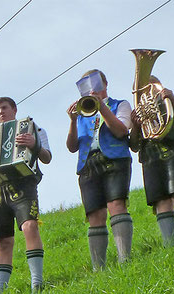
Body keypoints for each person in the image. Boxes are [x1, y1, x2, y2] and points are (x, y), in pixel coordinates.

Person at [0, 97, 52, 294]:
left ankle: (37, 282)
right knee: (3, 241)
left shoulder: (35, 129)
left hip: (23, 183)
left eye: (4, 108)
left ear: (14, 110)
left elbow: (47, 158)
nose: (1, 112)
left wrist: (34, 145)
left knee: (30, 226)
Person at [66, 69, 133, 270]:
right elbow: (71, 146)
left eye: (96, 84)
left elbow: (121, 131)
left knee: (116, 205)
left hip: (114, 158)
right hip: (88, 164)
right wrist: (72, 121)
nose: (93, 90)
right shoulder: (82, 114)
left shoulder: (119, 104)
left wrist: (102, 107)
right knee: (94, 215)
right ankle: (99, 268)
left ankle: (124, 259)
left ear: (105, 85)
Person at [130, 76, 174, 246]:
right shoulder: (140, 109)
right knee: (160, 199)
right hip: (151, 156)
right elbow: (133, 145)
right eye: (140, 90)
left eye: (147, 87)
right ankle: (169, 245)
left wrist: (173, 100)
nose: (145, 92)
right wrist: (135, 125)